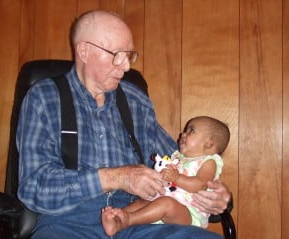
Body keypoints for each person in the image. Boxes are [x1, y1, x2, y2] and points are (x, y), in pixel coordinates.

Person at [17, 10, 231, 239]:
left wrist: (216, 195)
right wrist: (116, 177)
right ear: (84, 51)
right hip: (68, 222)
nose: (126, 66)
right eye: (117, 54)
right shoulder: (44, 98)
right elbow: (33, 188)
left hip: (138, 220)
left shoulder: (136, 101)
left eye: (129, 56)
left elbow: (184, 162)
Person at [101, 116, 230, 236]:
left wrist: (177, 178)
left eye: (191, 131)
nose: (182, 134)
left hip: (189, 213)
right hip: (163, 203)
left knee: (166, 204)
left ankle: (128, 220)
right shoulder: (178, 156)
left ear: (209, 144)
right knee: (142, 201)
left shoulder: (209, 162)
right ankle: (118, 218)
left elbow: (200, 185)